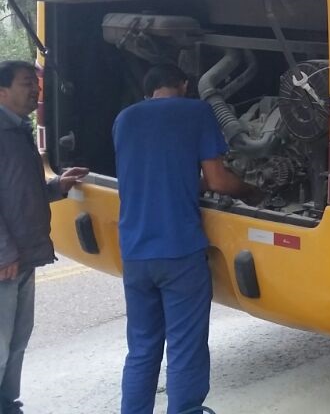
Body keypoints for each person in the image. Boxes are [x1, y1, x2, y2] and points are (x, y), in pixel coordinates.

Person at [113, 63, 261, 414]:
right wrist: (253, 192)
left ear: (149, 90)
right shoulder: (196, 111)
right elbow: (219, 180)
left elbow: (152, 174)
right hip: (179, 251)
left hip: (134, 253)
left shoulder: (125, 119)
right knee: (185, 345)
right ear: (183, 84)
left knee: (143, 347)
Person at [0, 60, 87, 414]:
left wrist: (57, 187)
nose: (35, 90)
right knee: (1, 341)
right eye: (26, 84)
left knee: (18, 339)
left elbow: (20, 191)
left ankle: (8, 403)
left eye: (35, 84)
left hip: (25, 254)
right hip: (6, 259)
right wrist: (4, 252)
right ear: (1, 91)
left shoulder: (19, 131)